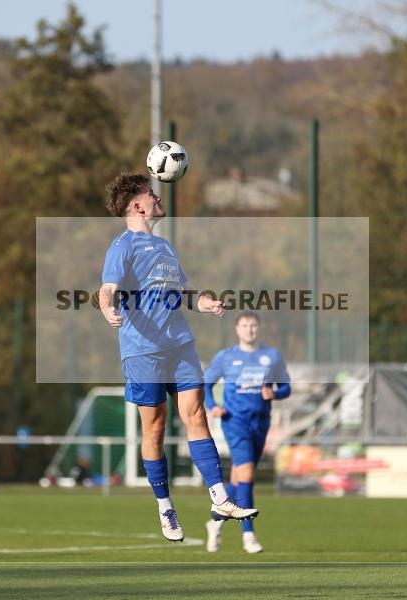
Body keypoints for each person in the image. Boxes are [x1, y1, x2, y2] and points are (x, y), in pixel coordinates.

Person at [98, 173, 258, 543]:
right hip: (143, 350)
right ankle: (165, 505)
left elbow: (187, 293)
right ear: (137, 206)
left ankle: (220, 498)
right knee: (154, 427)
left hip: (180, 344)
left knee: (196, 414)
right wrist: (107, 309)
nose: (158, 198)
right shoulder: (123, 245)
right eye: (151, 195)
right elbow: (106, 289)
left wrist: (207, 303)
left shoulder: (166, 248)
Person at [203, 311, 290, 554]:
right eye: (244, 325)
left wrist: (275, 393)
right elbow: (206, 384)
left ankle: (215, 522)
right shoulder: (226, 357)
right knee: (248, 476)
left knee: (238, 478)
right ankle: (248, 536)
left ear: (259, 329)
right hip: (235, 422)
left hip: (260, 422)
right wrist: (213, 406)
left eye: (253, 325)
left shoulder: (271, 356)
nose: (249, 329)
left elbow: (285, 387)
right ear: (237, 329)